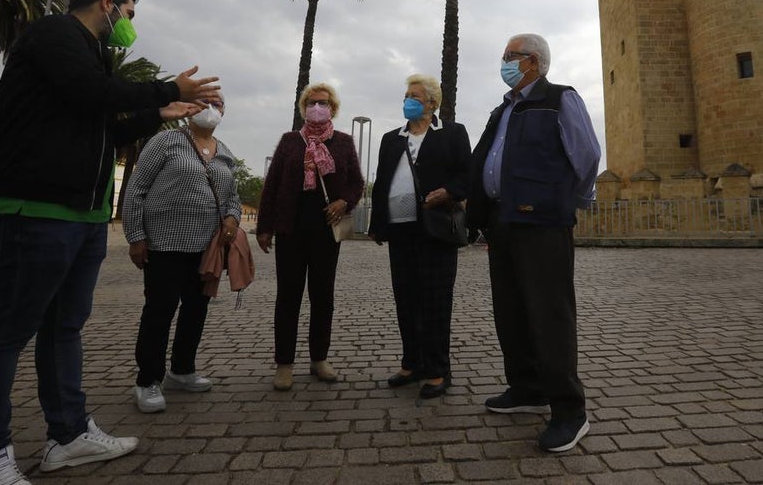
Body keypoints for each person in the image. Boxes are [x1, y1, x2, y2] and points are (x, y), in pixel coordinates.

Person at [0, 0, 219, 485]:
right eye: (129, 13)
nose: (130, 25)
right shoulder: (55, 34)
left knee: (65, 328)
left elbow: (105, 126)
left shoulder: (95, 57)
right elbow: (92, 92)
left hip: (82, 217)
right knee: (6, 333)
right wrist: (168, 88)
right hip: (34, 211)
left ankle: (69, 435)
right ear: (108, 4)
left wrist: (156, 112)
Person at [467, 33, 601, 454]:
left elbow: (586, 154)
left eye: (512, 56)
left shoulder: (559, 98)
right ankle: (527, 387)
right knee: (511, 310)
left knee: (549, 314)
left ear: (535, 62)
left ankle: (570, 411)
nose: (505, 62)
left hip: (542, 222)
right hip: (502, 220)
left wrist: (566, 201)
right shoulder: (503, 109)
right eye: (504, 55)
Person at [123, 94, 242, 413]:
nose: (210, 109)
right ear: (188, 107)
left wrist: (232, 218)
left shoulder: (225, 152)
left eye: (217, 104)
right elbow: (136, 189)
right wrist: (135, 236)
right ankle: (148, 380)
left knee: (196, 309)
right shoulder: (166, 142)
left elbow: (233, 196)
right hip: (164, 245)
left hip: (206, 249)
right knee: (160, 310)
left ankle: (182, 369)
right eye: (203, 102)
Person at [368, 74, 471, 400]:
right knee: (406, 298)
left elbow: (467, 173)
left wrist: (449, 192)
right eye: (406, 95)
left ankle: (438, 370)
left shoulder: (452, 133)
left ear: (431, 102)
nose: (407, 100)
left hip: (435, 230)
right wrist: (377, 224)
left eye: (414, 96)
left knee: (435, 300)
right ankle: (411, 363)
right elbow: (382, 182)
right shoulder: (391, 138)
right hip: (401, 230)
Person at [256, 83, 364, 390]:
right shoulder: (290, 141)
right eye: (312, 102)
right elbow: (272, 184)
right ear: (304, 107)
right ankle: (284, 364)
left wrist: (344, 202)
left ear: (333, 108)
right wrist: (265, 227)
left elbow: (356, 183)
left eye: (324, 103)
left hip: (326, 232)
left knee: (323, 297)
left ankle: (319, 358)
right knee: (288, 298)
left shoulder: (343, 142)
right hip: (290, 230)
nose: (318, 107)